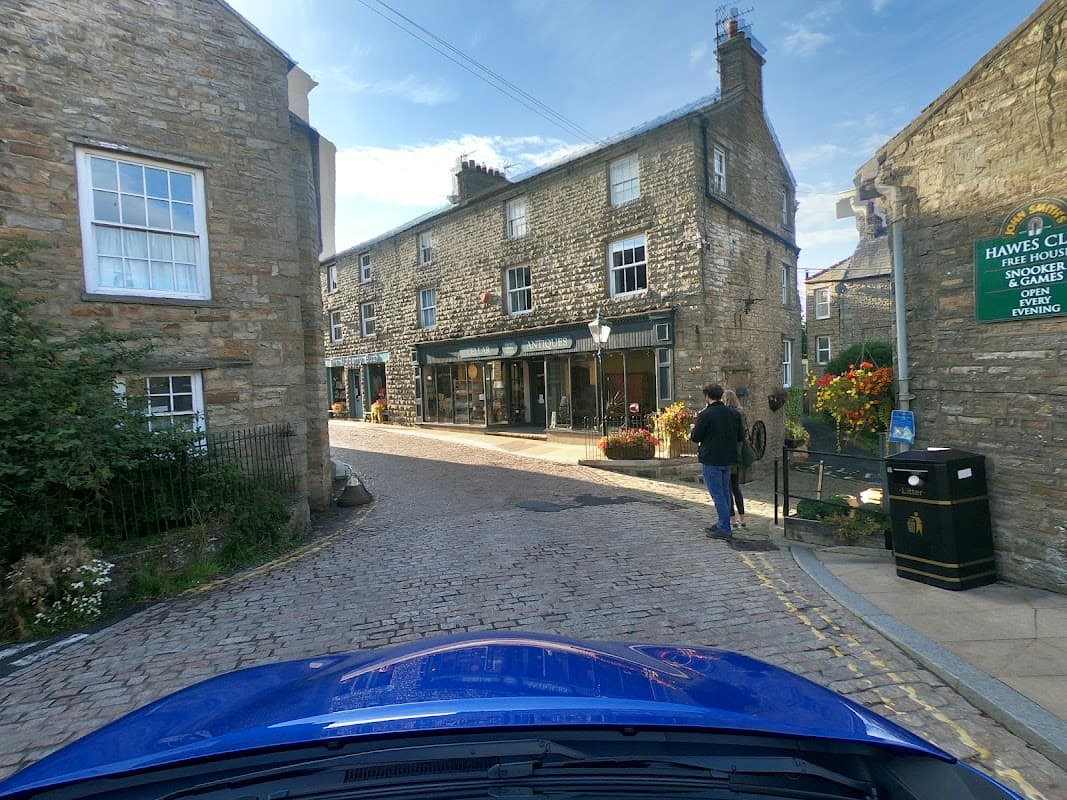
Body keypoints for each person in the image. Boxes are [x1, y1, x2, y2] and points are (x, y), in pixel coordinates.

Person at [689, 383, 743, 540]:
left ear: (707, 396)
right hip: (729, 459)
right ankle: (722, 523)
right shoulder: (734, 414)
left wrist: (693, 429)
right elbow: (740, 436)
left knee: (718, 494)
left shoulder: (705, 415)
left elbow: (696, 437)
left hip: (712, 459)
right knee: (726, 493)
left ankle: (725, 528)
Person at [722, 389, 747, 529]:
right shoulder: (741, 412)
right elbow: (742, 435)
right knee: (736, 487)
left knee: (728, 488)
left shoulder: (727, 415)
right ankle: (742, 518)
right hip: (738, 454)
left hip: (728, 454)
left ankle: (732, 519)